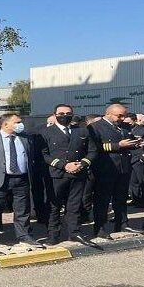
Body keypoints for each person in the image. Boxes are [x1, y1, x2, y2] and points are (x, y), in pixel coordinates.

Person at [39, 105, 97, 245]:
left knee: (74, 205)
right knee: (54, 206)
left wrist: (82, 164)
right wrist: (63, 165)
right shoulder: (46, 132)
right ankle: (53, 235)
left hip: (78, 173)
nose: (65, 116)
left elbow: (92, 151)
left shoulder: (82, 131)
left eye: (68, 113)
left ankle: (74, 232)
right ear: (55, 115)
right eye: (61, 113)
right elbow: (44, 155)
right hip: (56, 175)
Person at [0, 112, 38, 247]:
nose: (20, 125)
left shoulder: (26, 138)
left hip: (21, 179)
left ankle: (24, 235)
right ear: (5, 124)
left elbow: (31, 157)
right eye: (17, 122)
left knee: (22, 209)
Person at [88, 103, 144, 238]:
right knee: (103, 200)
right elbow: (95, 147)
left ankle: (122, 224)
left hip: (123, 167)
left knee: (121, 198)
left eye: (124, 116)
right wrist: (117, 145)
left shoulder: (124, 126)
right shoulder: (95, 127)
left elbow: (128, 142)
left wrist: (136, 144)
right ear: (108, 113)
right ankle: (100, 228)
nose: (122, 119)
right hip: (106, 167)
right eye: (119, 116)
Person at [128, 113, 144, 207]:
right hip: (130, 158)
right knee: (133, 181)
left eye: (129, 122)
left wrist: (143, 156)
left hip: (139, 158)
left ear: (135, 120)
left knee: (142, 180)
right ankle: (136, 199)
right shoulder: (126, 130)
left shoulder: (143, 130)